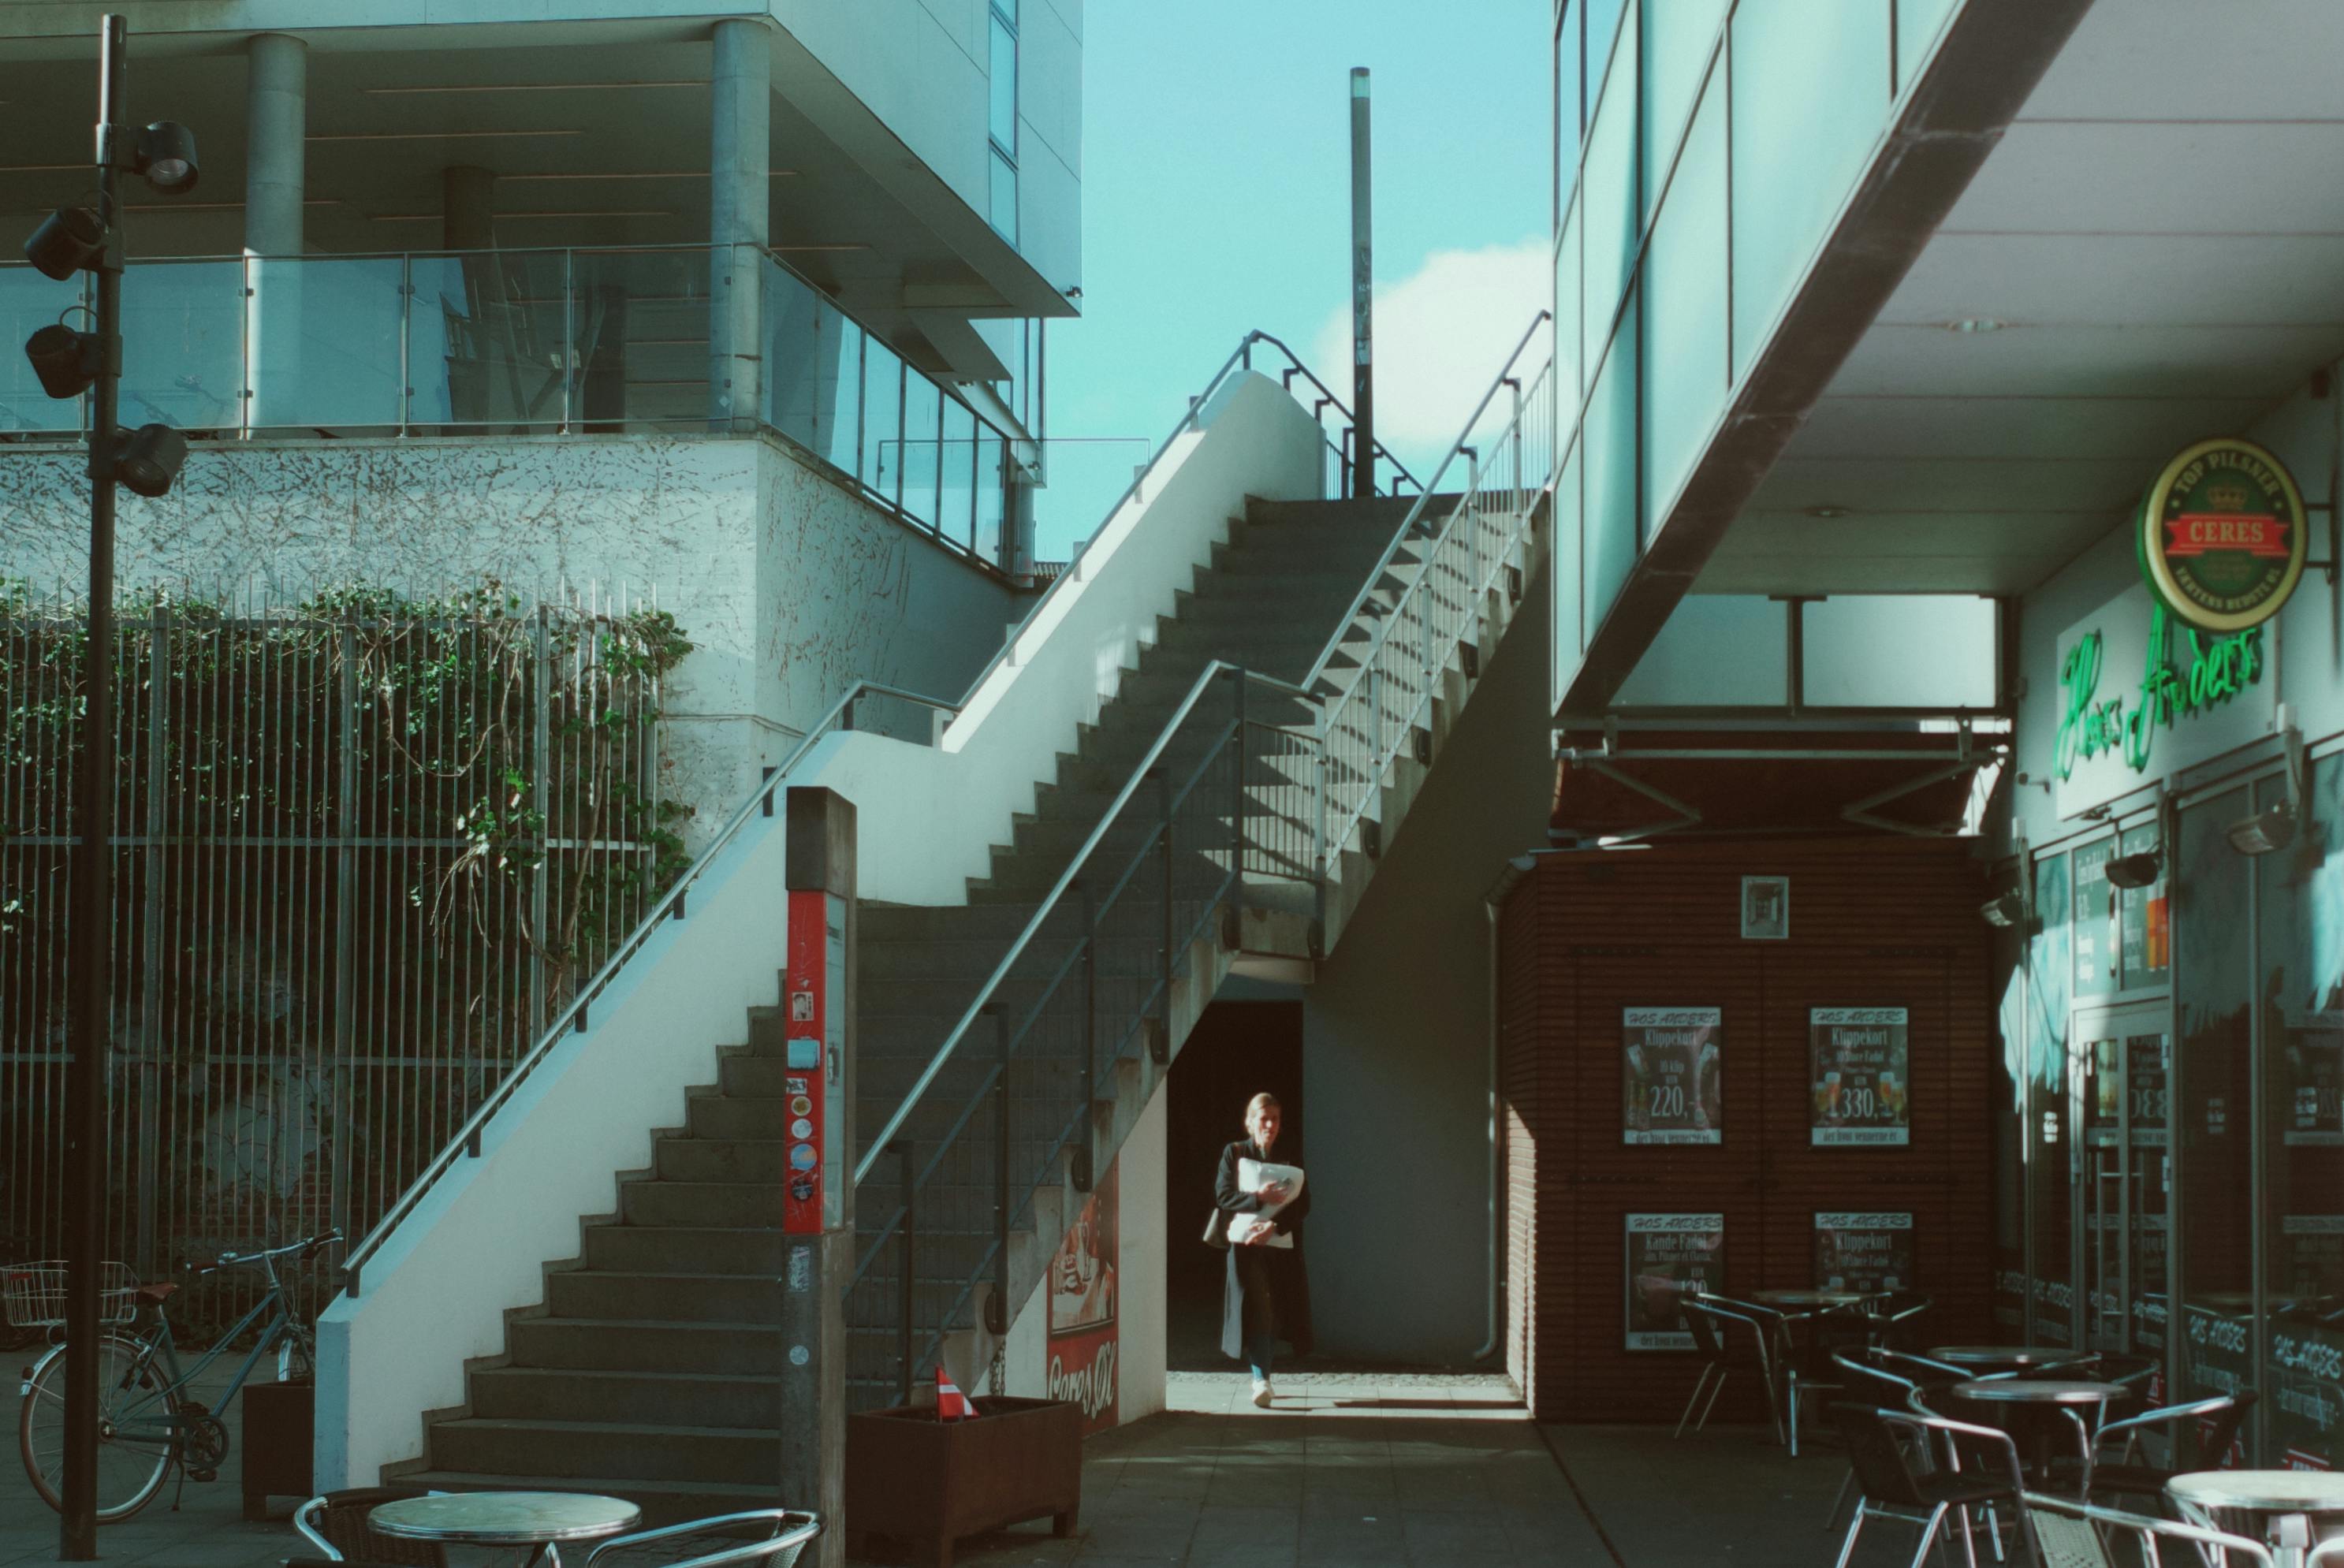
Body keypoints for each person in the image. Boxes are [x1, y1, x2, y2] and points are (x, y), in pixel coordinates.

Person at [1215, 1091, 1312, 1407]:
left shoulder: (1288, 1157)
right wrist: (1259, 1198)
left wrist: (1276, 1225)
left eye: (1275, 1119)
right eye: (1264, 1118)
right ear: (1250, 1122)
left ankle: (1263, 1374)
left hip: (1280, 1246)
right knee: (1261, 1306)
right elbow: (1223, 1197)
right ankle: (1261, 1380)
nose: (1270, 1125)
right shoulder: (1235, 1152)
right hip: (1247, 1247)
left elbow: (1304, 1203)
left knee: (1276, 1311)